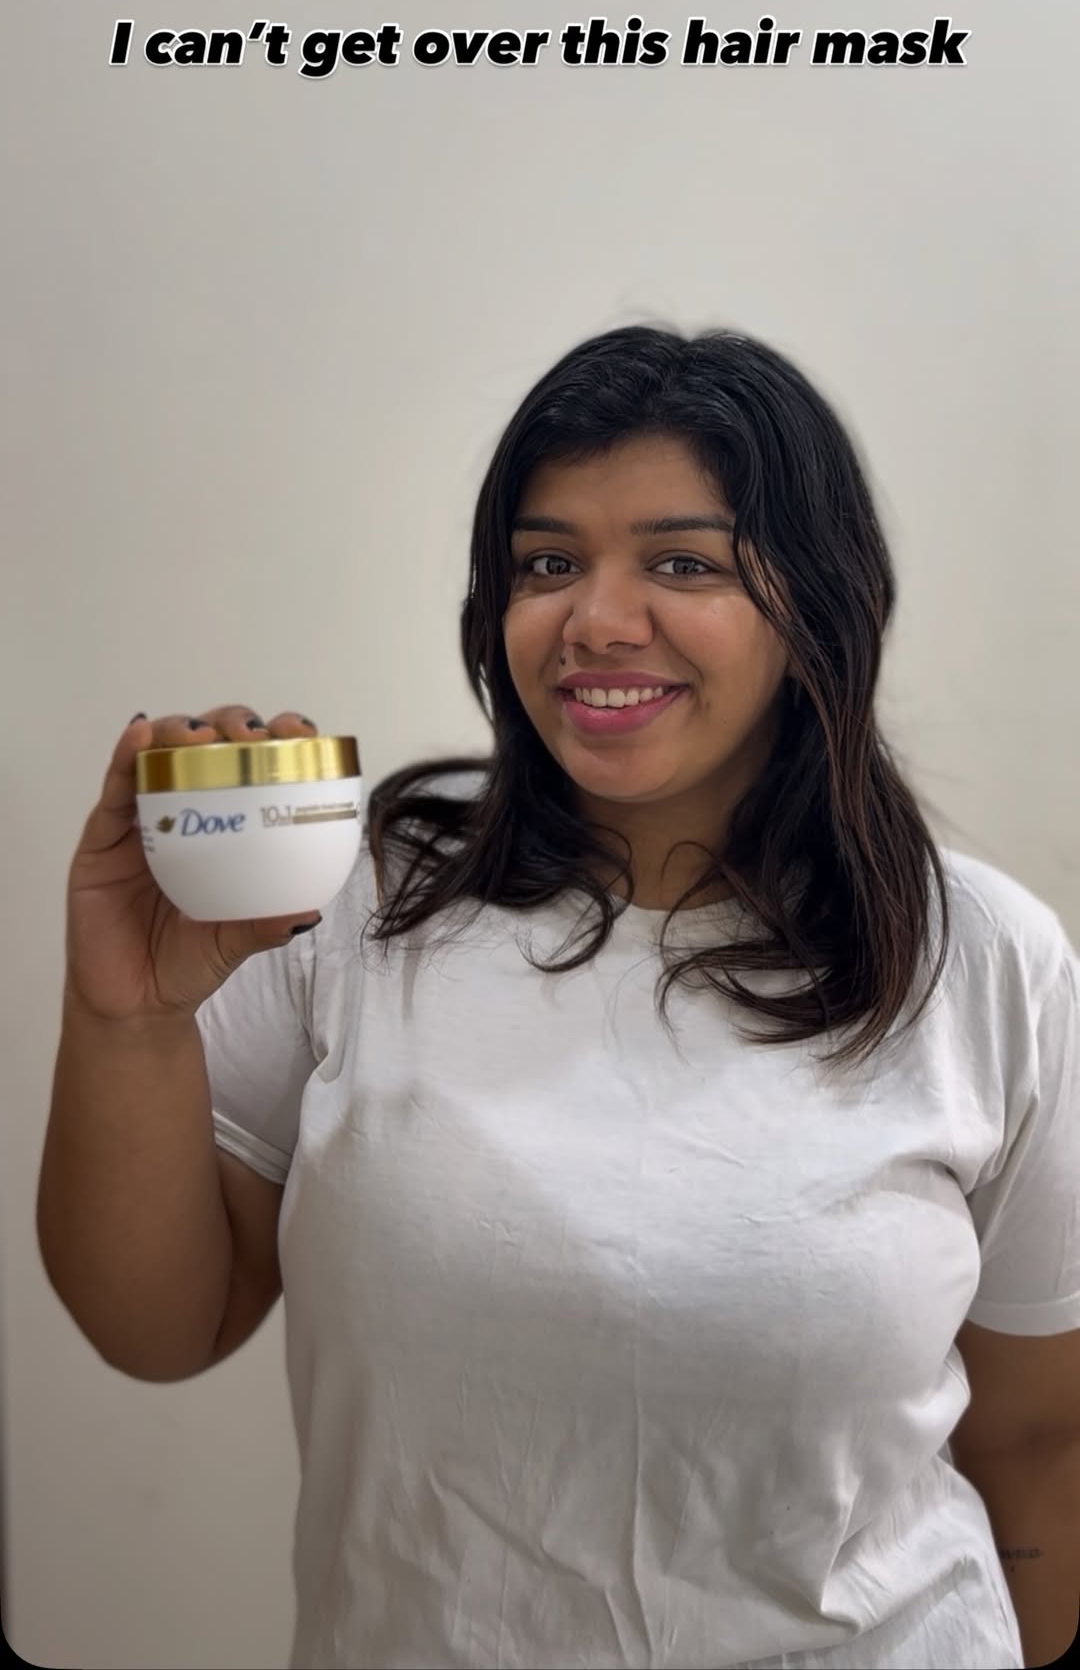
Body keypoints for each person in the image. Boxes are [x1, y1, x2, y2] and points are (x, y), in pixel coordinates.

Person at [38, 325, 1080, 1670]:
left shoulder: (983, 958)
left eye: (682, 563)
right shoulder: (354, 903)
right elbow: (157, 1329)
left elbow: (1034, 1444)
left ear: (816, 605)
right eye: (547, 564)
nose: (595, 620)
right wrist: (127, 1018)